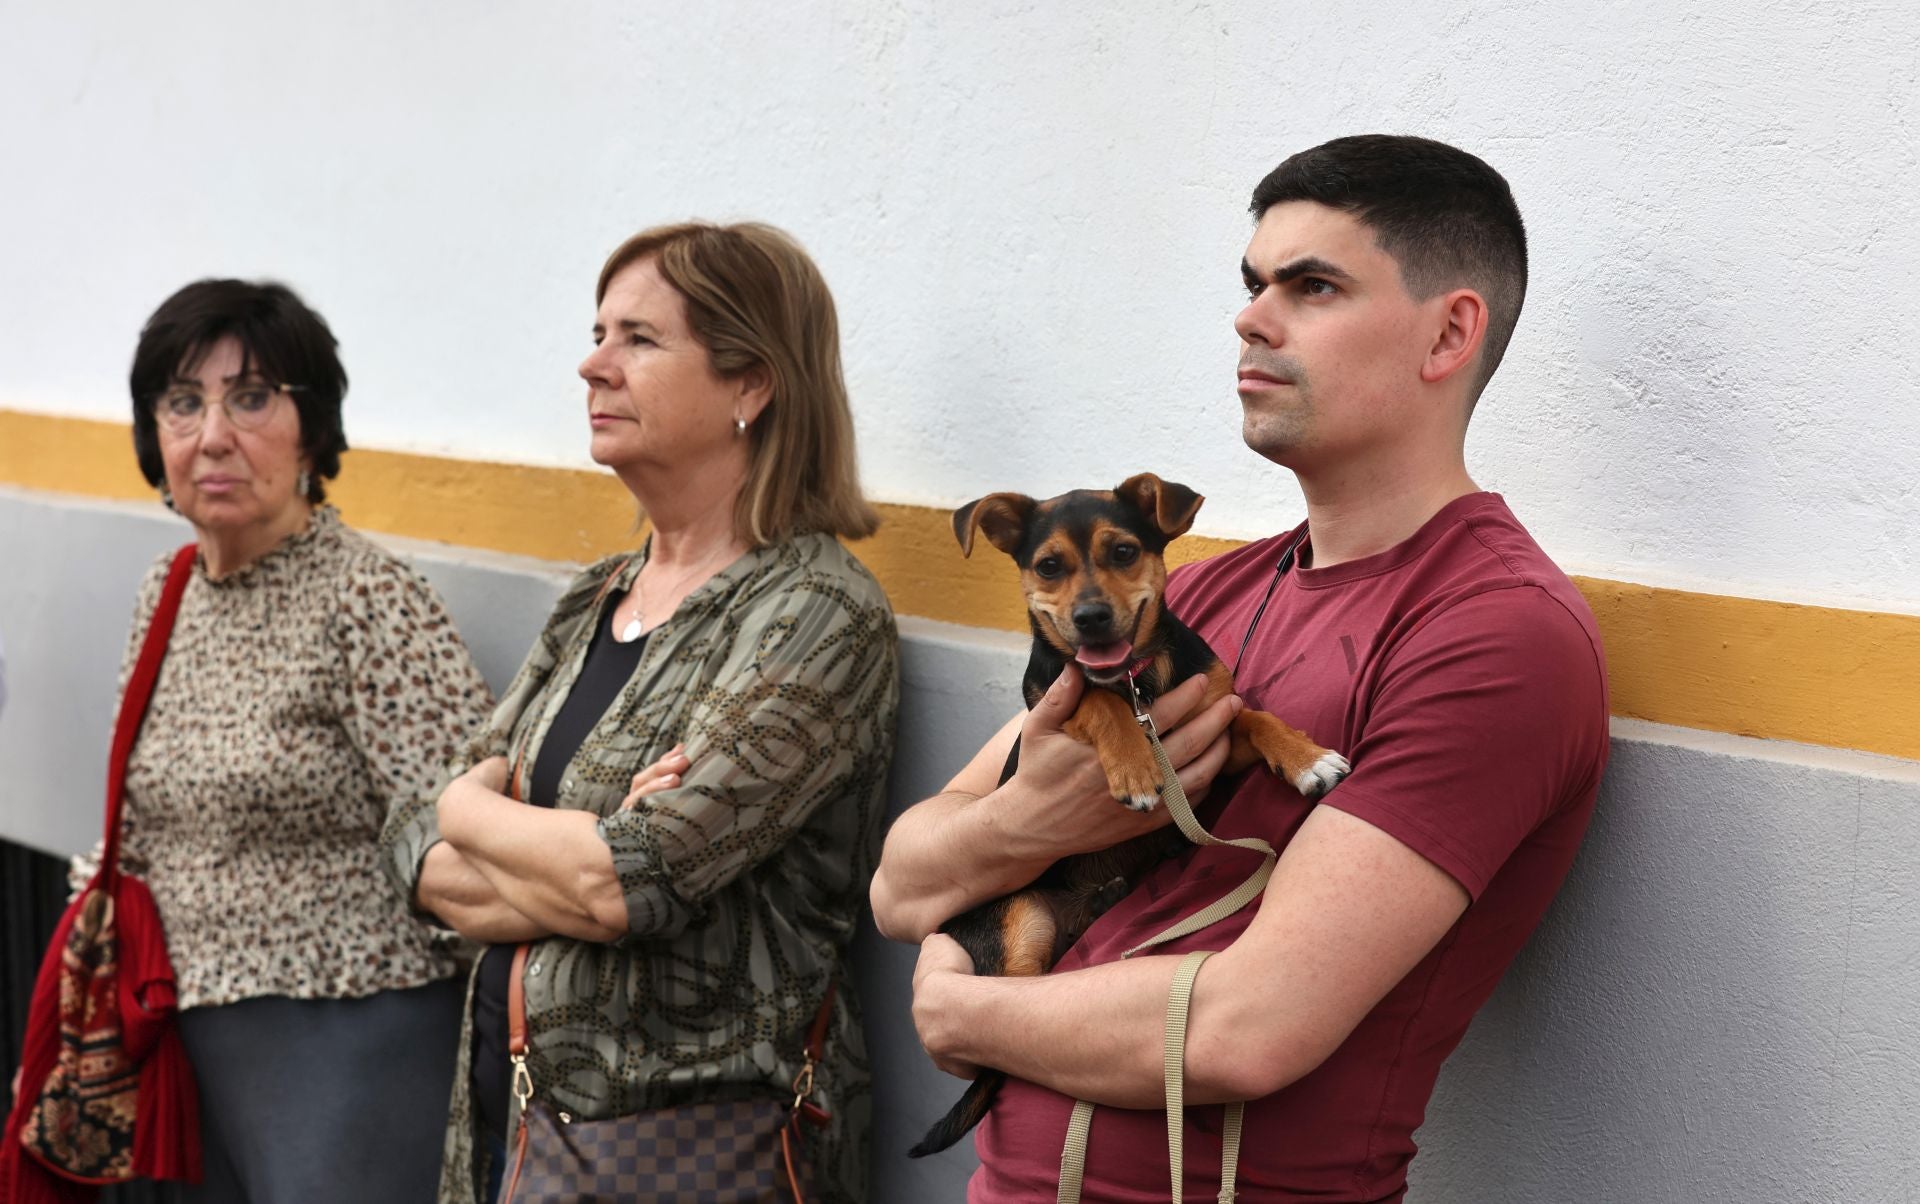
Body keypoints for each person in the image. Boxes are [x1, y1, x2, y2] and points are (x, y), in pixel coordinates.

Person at [876, 135, 1611, 1200]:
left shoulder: (1494, 632)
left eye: (1312, 286)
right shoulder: (1195, 591)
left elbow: (1246, 1029)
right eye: (1253, 283)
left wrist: (965, 1010)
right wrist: (1026, 826)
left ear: (1449, 332)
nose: (1252, 318)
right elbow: (902, 883)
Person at [382, 221, 900, 1204]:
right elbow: (413, 846)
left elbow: (632, 879)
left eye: (639, 339)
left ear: (751, 383)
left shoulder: (817, 614)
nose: (592, 365)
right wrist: (567, 845)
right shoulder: (597, 597)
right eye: (598, 332)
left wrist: (475, 813)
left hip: (692, 1155)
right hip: (511, 1125)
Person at [70, 279, 495, 1202]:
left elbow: (471, 840)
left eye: (252, 398)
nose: (213, 434)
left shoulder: (368, 599)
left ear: (311, 430)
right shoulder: (168, 589)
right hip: (178, 1042)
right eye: (183, 402)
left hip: (349, 1045)